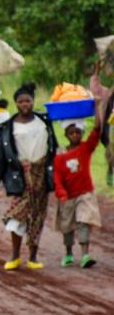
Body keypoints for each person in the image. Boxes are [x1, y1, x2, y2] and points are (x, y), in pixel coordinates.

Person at [0, 82, 58, 270]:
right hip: (20, 178)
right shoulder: (7, 128)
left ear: (33, 102)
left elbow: (54, 151)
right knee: (15, 216)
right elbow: (0, 158)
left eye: (28, 101)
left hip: (40, 176)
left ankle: (33, 257)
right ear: (15, 104)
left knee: (38, 216)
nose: (25, 104)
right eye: (20, 102)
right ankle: (15, 254)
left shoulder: (44, 122)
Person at [54, 99, 105, 267]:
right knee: (67, 226)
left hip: (84, 193)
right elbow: (57, 176)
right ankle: (68, 254)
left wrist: (97, 107)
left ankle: (85, 255)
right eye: (71, 132)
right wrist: (61, 192)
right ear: (66, 134)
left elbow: (97, 130)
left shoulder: (86, 148)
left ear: (82, 133)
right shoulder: (60, 154)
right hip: (67, 196)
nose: (75, 135)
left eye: (78, 132)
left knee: (84, 221)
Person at [89, 63, 114, 187]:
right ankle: (110, 170)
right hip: (109, 132)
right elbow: (95, 88)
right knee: (111, 155)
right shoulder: (108, 94)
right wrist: (97, 70)